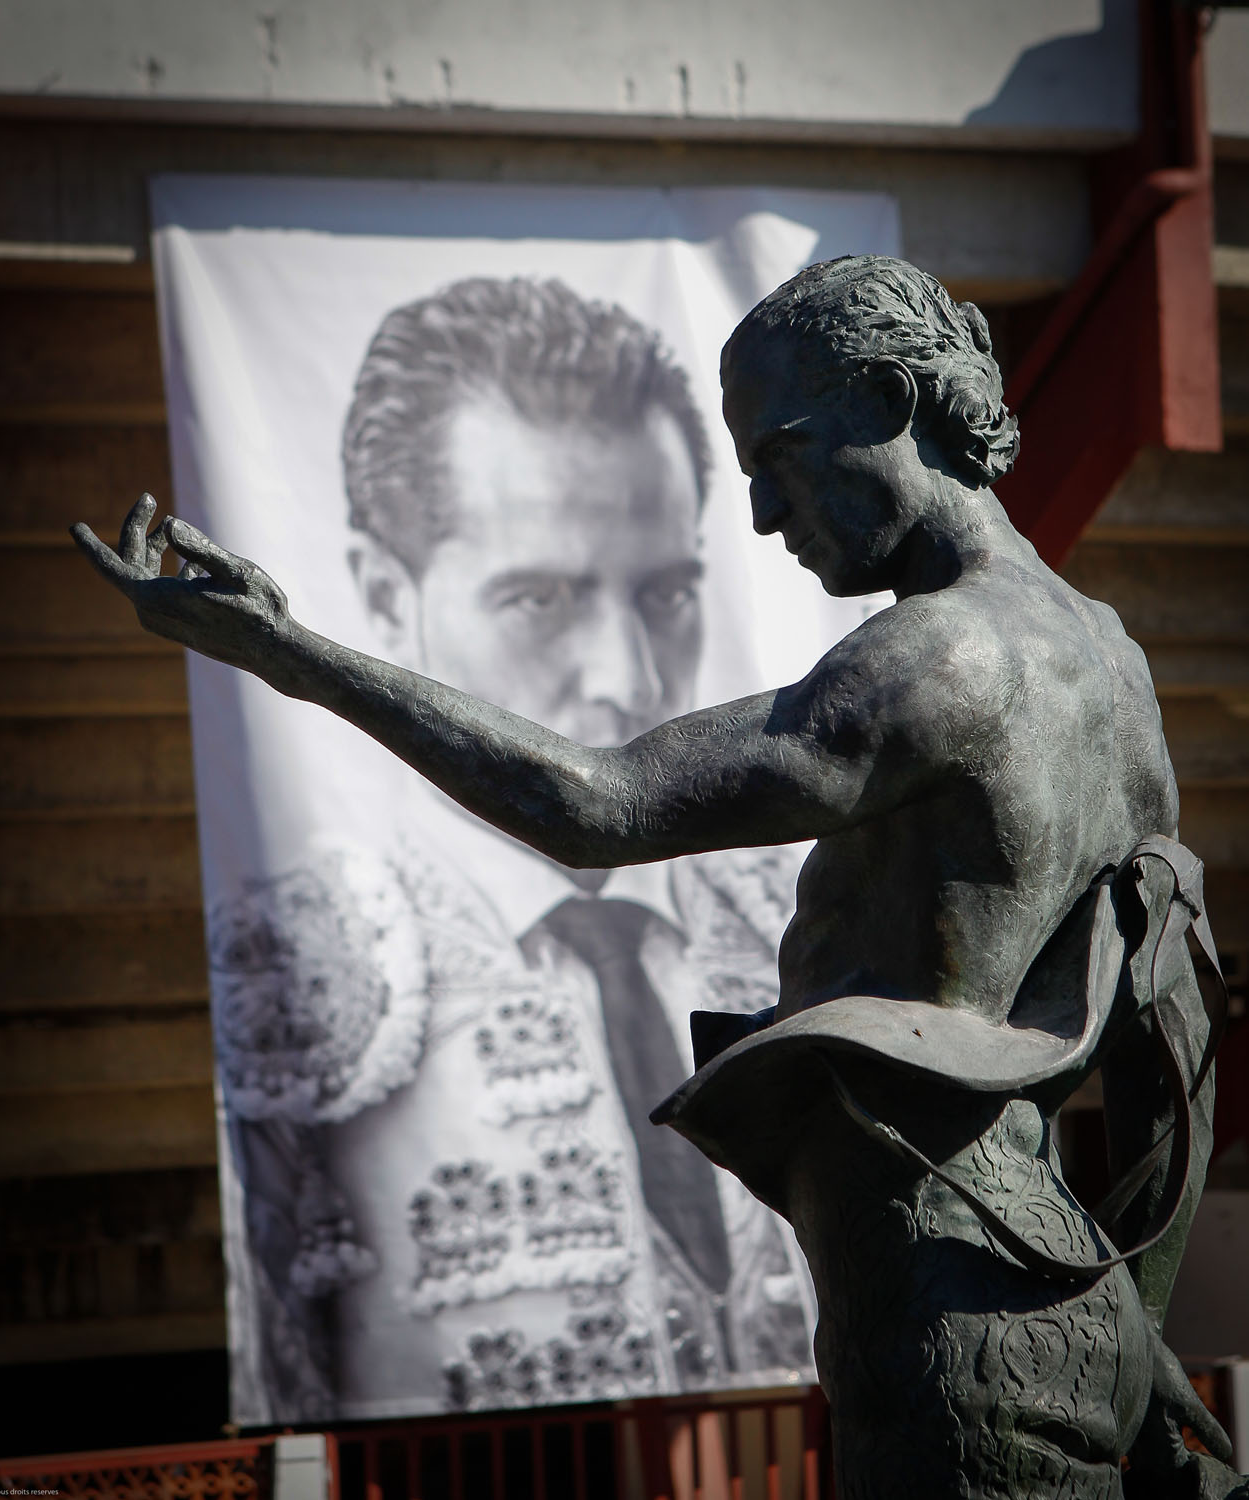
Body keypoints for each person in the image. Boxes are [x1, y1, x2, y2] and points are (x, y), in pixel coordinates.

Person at [74, 255, 1242, 1496]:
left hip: (937, 1286)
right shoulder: (1112, 670)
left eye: (776, 457)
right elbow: (1166, 1040)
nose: (759, 517)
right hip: (1060, 1283)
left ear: (893, 403)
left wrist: (288, 652)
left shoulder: (937, 660)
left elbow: (600, 804)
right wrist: (1122, 1316)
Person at [174, 277, 816, 1420]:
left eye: (665, 594)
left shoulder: (802, 906)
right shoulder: (294, 970)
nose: (624, 676)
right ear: (381, 593)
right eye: (537, 600)